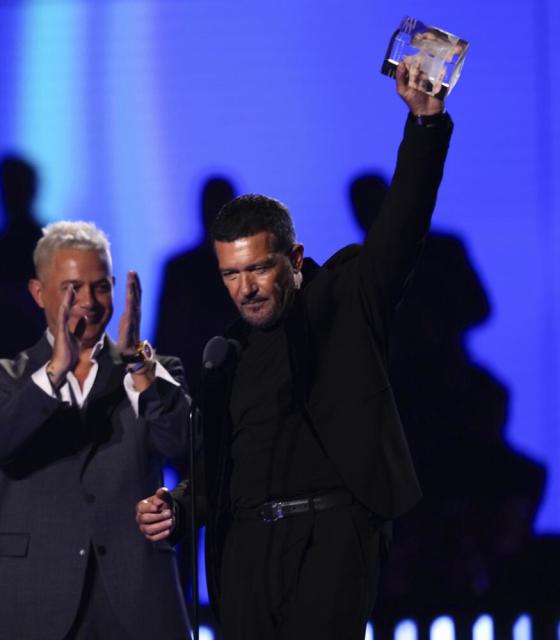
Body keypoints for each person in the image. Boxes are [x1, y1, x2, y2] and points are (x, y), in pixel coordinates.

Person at [136, 61, 454, 639]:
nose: (245, 288)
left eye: (258, 268)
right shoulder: (224, 353)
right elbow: (222, 462)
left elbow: (401, 227)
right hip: (246, 553)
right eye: (231, 274)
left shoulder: (346, 298)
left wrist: (425, 123)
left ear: (296, 258)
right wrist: (178, 506)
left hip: (331, 539)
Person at [0, 221, 191, 639]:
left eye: (101, 287)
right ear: (39, 293)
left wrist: (138, 367)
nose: (89, 302)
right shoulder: (2, 377)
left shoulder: (154, 371)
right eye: (72, 288)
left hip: (134, 601)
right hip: (32, 599)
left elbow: (180, 442)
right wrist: (55, 371)